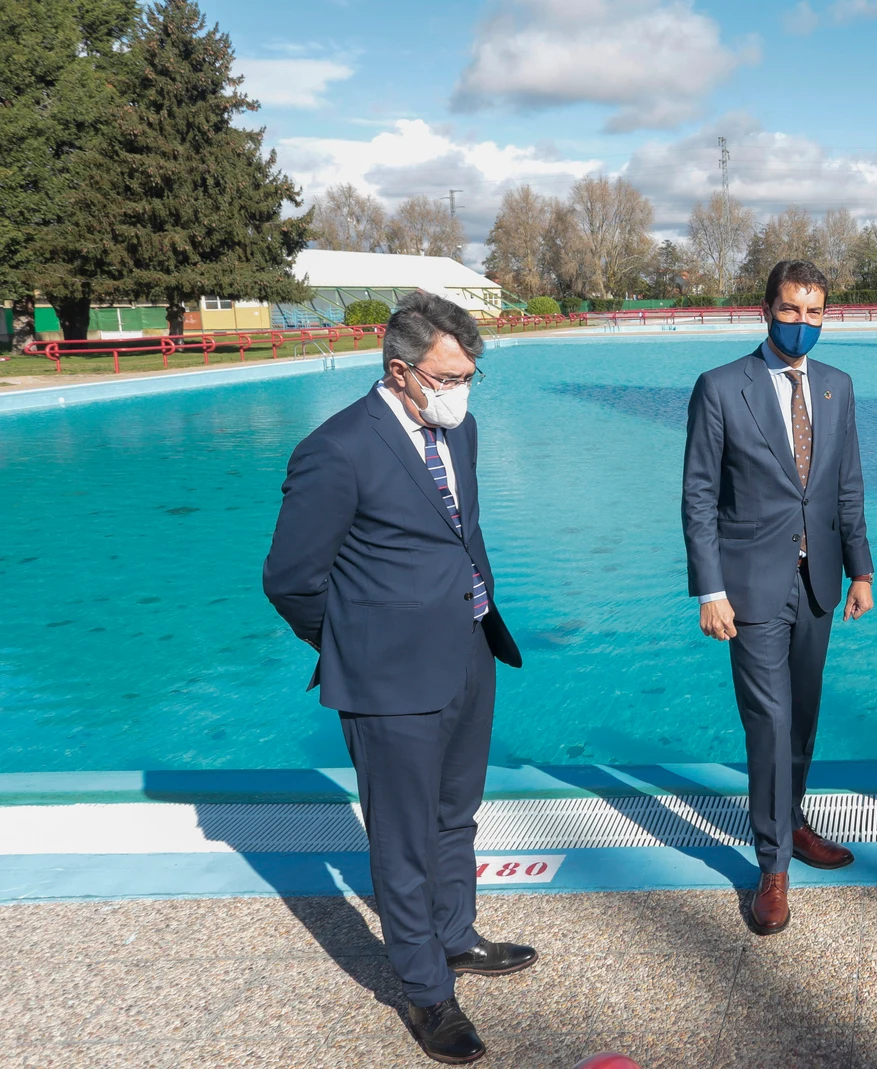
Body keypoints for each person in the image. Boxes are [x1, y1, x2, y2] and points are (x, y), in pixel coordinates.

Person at [263, 290, 533, 1065]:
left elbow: (458, 533)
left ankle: (454, 936)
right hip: (388, 679)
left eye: (471, 375)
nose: (463, 390)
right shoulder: (337, 447)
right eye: (450, 376)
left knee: (457, 814)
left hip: (470, 654)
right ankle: (423, 989)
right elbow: (289, 578)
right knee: (404, 839)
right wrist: (360, 643)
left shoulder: (464, 429)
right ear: (401, 371)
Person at [681, 259, 875, 935]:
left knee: (804, 714)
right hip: (751, 585)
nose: (802, 323)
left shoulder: (837, 387)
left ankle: (793, 820)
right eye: (791, 310)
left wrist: (862, 570)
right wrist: (709, 589)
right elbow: (698, 495)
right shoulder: (720, 387)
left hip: (818, 579)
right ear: (766, 309)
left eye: (815, 312)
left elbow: (846, 482)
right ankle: (773, 865)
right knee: (768, 721)